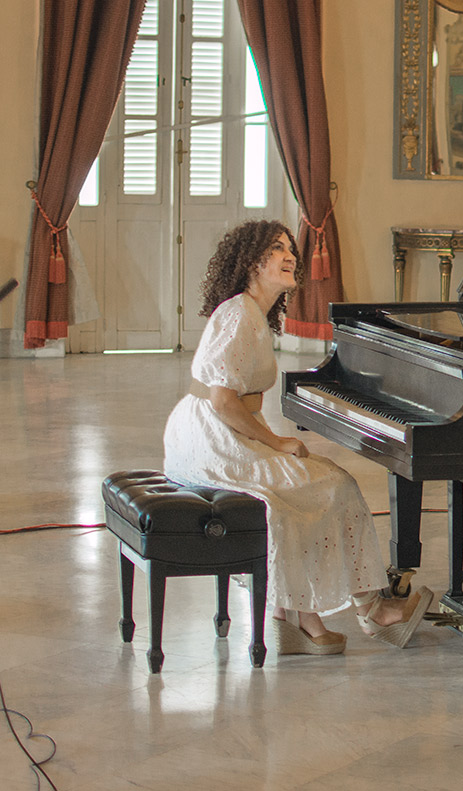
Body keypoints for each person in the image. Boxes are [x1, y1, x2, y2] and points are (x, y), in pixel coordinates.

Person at [163, 220, 433, 656]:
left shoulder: (252, 313)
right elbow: (223, 402)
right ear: (252, 261)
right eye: (276, 249)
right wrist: (275, 441)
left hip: (209, 433)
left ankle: (298, 620)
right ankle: (373, 611)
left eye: (291, 248)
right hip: (209, 438)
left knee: (302, 491)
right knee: (332, 484)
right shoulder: (238, 315)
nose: (290, 256)